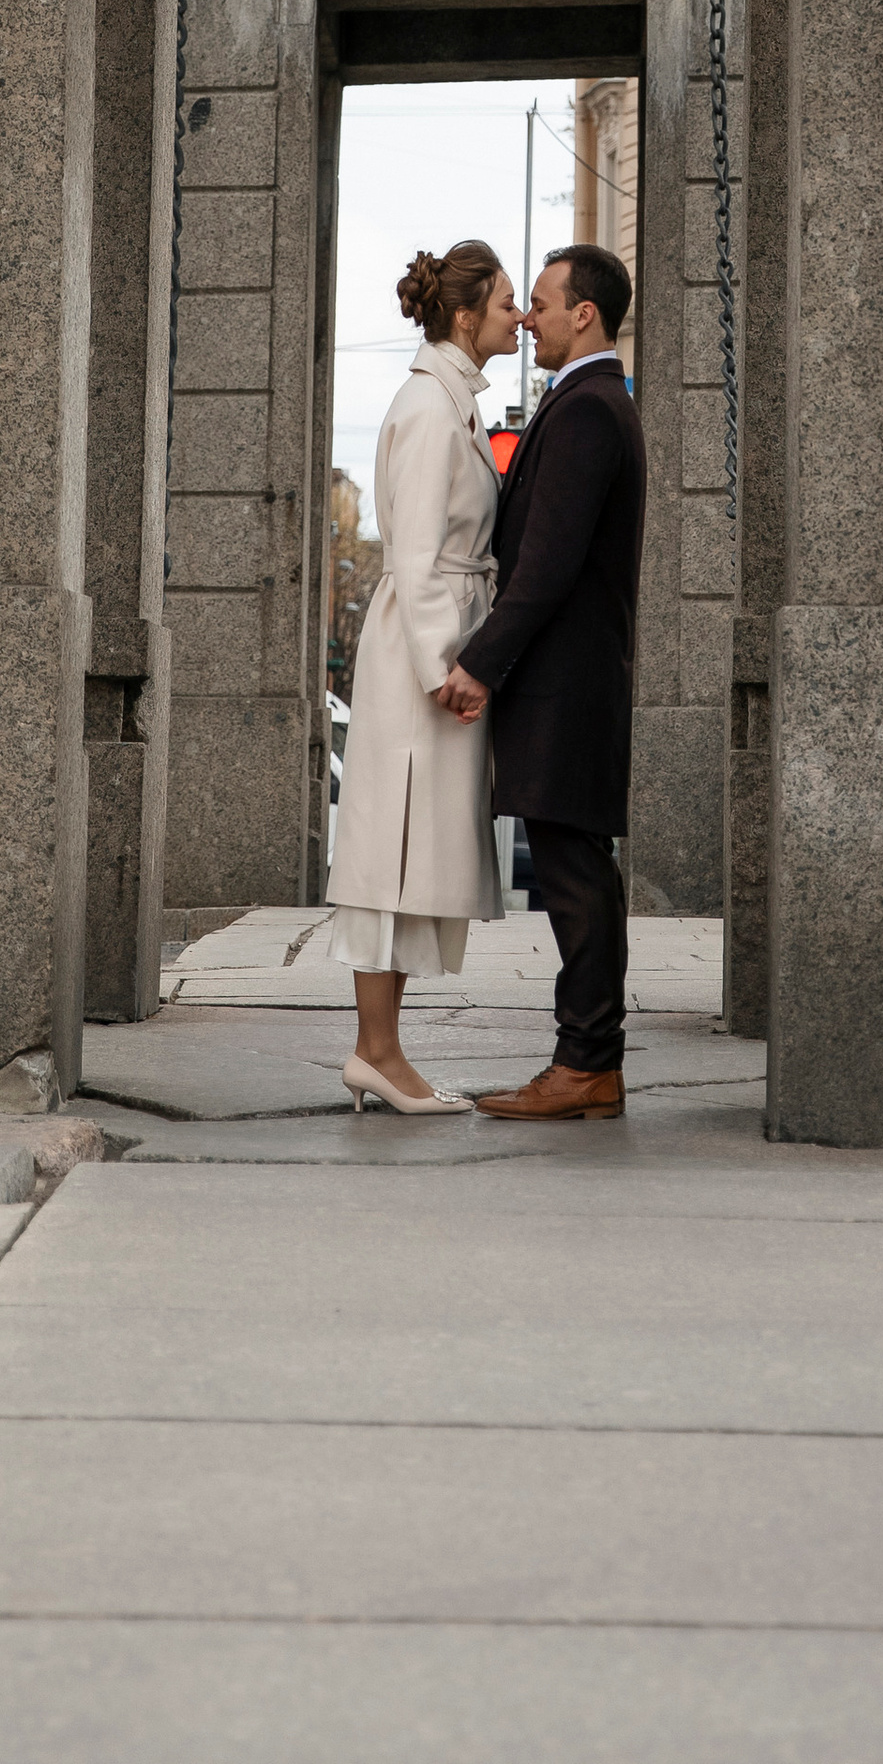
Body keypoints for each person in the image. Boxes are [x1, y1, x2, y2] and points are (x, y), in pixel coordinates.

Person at [436, 243, 645, 1122]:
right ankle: (587, 1061)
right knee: (575, 869)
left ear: (584, 314)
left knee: (573, 874)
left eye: (544, 303)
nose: (529, 318)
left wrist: (480, 660)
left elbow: (547, 565)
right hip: (570, 680)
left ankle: (587, 1061)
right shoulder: (586, 401)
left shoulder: (591, 409)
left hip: (567, 683)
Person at [326, 237, 518, 1115]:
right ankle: (377, 1053)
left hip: (434, 647)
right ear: (467, 312)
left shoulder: (451, 402)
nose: (518, 315)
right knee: (393, 850)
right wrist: (448, 664)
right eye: (507, 301)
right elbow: (410, 552)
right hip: (421, 659)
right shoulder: (430, 407)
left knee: (413, 853)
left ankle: (383, 1052)